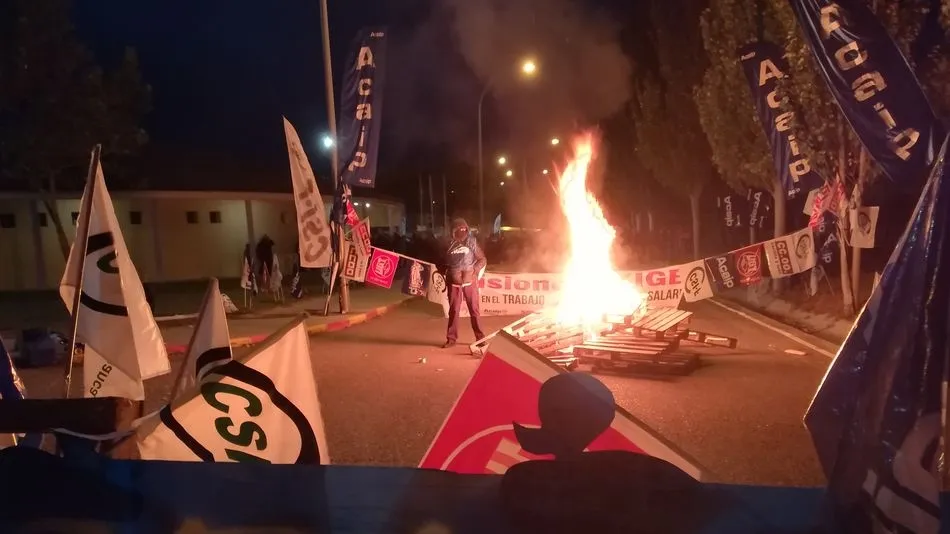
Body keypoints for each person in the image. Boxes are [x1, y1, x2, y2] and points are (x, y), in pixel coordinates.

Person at [442, 218, 486, 348]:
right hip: (453, 283)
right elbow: (440, 261)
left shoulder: (471, 242)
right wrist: (447, 272)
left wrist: (475, 271)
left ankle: (480, 338)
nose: (462, 231)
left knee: (474, 310)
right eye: (458, 229)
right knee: (454, 311)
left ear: (467, 229)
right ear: (453, 230)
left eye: (464, 229)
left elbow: (482, 259)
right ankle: (451, 339)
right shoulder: (447, 244)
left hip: (470, 282)